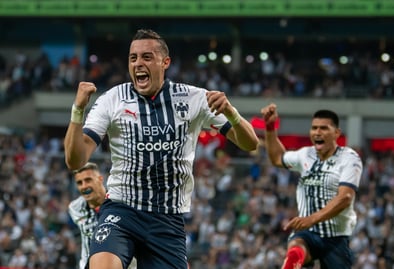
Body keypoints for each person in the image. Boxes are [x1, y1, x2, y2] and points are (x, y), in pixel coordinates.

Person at [64, 28, 259, 269]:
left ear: (165, 62)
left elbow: (250, 143)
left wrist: (231, 112)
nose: (138, 64)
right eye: (133, 58)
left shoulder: (193, 98)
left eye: (147, 57)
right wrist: (78, 111)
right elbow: (75, 160)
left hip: (167, 220)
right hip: (121, 210)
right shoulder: (112, 99)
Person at [260, 103, 363, 269]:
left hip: (335, 237)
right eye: (314, 128)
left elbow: (345, 197)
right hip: (307, 233)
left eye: (324, 128)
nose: (317, 132)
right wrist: (270, 127)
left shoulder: (349, 158)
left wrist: (312, 219)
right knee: (295, 250)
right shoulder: (305, 154)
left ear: (336, 133)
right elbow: (277, 158)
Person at [68, 162, 137, 269]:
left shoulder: (118, 202)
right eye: (79, 182)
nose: (84, 186)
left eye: (88, 180)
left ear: (100, 179)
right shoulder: (75, 208)